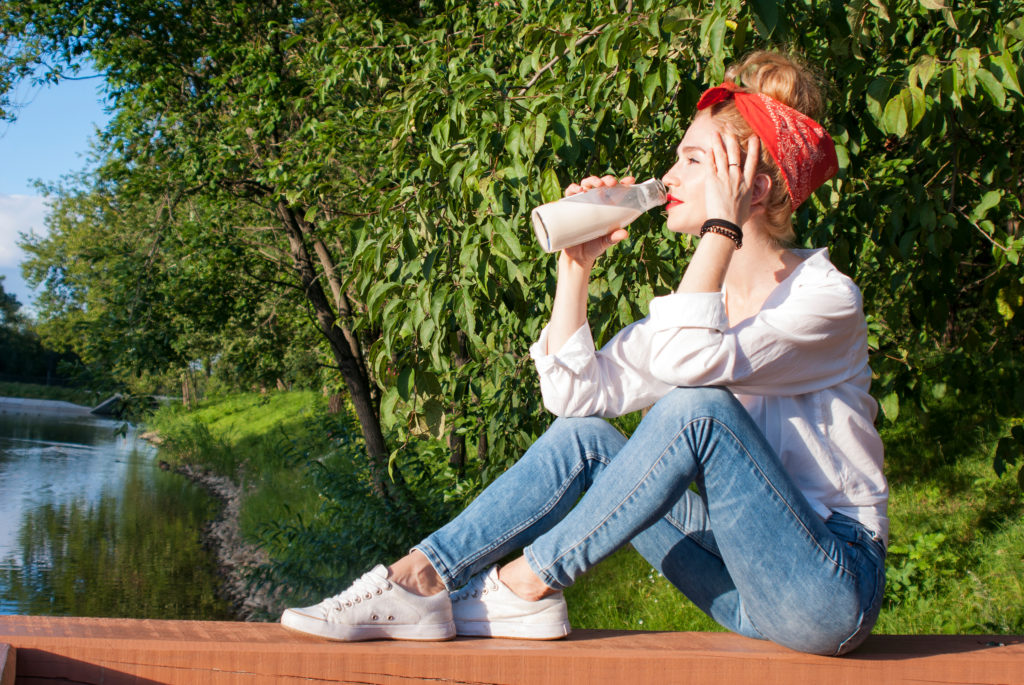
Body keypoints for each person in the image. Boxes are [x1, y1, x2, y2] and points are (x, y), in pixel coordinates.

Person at [281, 51, 888, 656]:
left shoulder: (824, 300)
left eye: (692, 159)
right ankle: (418, 579)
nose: (669, 175)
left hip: (831, 588)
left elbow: (688, 372)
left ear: (752, 189)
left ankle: (527, 582)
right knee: (587, 439)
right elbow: (572, 397)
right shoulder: (703, 308)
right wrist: (577, 268)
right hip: (744, 586)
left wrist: (719, 232)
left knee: (697, 408)